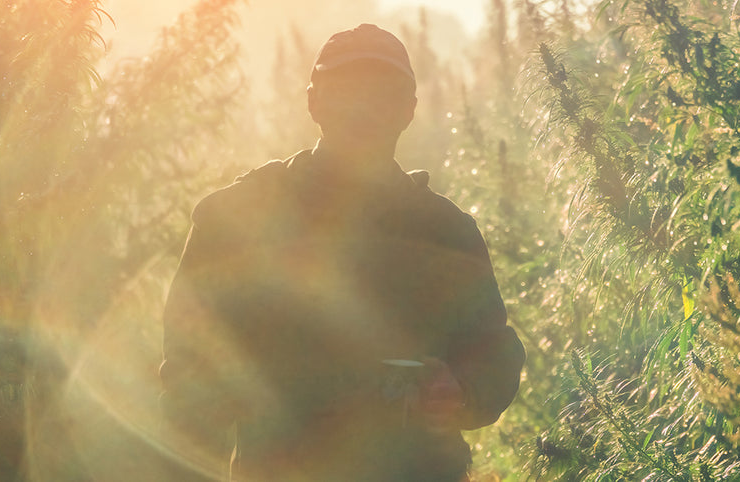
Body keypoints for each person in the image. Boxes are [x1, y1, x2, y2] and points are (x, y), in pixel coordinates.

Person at [159, 24, 525, 482]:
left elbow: (493, 349)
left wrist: (461, 390)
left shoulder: (446, 230)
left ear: (408, 110)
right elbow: (188, 358)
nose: (363, 107)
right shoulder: (240, 218)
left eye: (382, 93)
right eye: (346, 90)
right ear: (314, 101)